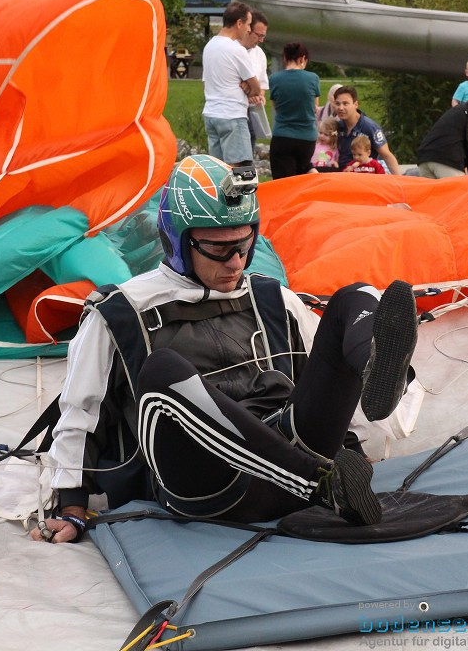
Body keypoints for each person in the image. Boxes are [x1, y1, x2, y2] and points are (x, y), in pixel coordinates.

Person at [32, 155, 419, 542]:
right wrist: (71, 505)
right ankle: (321, 484)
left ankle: (377, 371)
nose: (236, 262)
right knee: (162, 369)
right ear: (178, 241)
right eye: (219, 249)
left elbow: (322, 380)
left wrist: (348, 444)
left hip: (295, 447)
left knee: (357, 298)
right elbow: (80, 411)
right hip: (209, 485)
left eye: (244, 243)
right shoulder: (119, 313)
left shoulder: (272, 298)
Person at [201, 2, 260, 168]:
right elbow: (255, 87)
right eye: (248, 24)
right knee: (240, 170)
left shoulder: (209, 46)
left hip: (211, 114)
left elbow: (206, 83)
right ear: (239, 23)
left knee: (218, 171)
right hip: (232, 115)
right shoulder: (236, 50)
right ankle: (238, 196)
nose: (249, 29)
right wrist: (249, 88)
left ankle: (218, 195)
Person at [267, 41, 321, 179]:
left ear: (284, 58)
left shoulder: (274, 79)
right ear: (303, 58)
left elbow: (276, 107)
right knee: (302, 176)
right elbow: (314, 108)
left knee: (283, 182)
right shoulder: (313, 78)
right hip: (307, 138)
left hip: (283, 136)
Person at [333, 86, 403, 175]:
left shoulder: (370, 127)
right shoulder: (338, 125)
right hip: (340, 175)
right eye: (338, 104)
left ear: (355, 104)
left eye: (345, 103)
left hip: (363, 177)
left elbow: (386, 155)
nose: (341, 108)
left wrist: (399, 182)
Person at [241, 10, 271, 160]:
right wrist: (251, 88)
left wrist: (259, 96)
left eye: (263, 36)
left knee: (247, 157)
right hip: (234, 112)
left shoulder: (259, 54)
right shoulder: (233, 50)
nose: (261, 40)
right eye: (258, 35)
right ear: (248, 30)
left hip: (252, 112)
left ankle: (244, 182)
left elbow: (262, 84)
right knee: (234, 159)